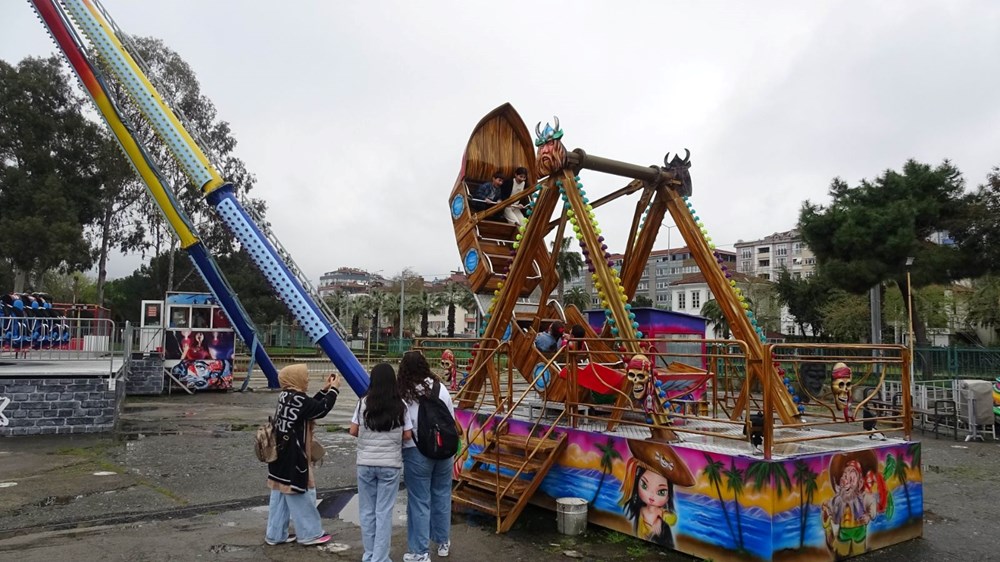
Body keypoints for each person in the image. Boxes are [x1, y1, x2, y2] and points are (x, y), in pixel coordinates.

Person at [265, 364, 341, 547]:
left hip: (279, 458)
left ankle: (275, 534)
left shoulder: (286, 395)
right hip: (294, 458)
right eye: (305, 376)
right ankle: (310, 534)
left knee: (280, 495)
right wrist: (334, 391)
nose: (307, 379)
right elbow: (321, 409)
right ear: (295, 379)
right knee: (301, 493)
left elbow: (308, 408)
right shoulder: (298, 399)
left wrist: (324, 391)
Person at [350, 363, 412, 562]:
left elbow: (353, 430)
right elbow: (408, 434)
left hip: (365, 464)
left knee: (367, 511)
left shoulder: (363, 403)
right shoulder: (400, 405)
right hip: (390, 465)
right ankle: (380, 557)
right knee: (383, 512)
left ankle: (368, 555)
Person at [398, 351, 456, 561]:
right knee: (441, 494)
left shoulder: (404, 393)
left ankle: (420, 552)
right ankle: (443, 543)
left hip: (416, 450)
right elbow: (451, 418)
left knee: (419, 500)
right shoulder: (441, 388)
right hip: (444, 450)